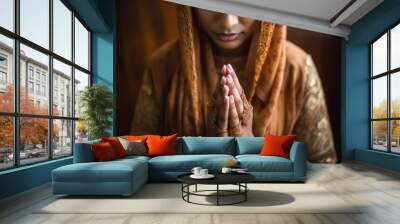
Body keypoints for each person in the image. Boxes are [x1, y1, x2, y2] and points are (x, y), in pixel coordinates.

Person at [131, 6, 337, 163]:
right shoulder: (163, 66)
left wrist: (250, 146)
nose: (228, 22)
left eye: (243, 2)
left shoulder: (298, 68)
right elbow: (140, 157)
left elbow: (322, 166)